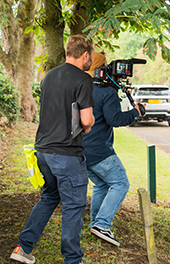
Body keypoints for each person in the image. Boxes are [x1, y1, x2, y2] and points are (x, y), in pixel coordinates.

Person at [10, 35, 95, 264]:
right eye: (91, 57)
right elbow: (86, 120)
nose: (92, 61)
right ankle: (73, 260)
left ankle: (22, 247)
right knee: (74, 205)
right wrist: (89, 124)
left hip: (43, 151)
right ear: (85, 54)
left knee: (49, 197)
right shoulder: (83, 79)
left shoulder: (48, 77)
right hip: (67, 154)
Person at [83, 52, 142, 247]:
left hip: (82, 150)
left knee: (101, 185)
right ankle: (102, 224)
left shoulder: (83, 88)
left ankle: (95, 225)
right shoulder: (108, 93)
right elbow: (115, 119)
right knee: (121, 183)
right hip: (99, 151)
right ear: (103, 68)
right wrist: (136, 112)